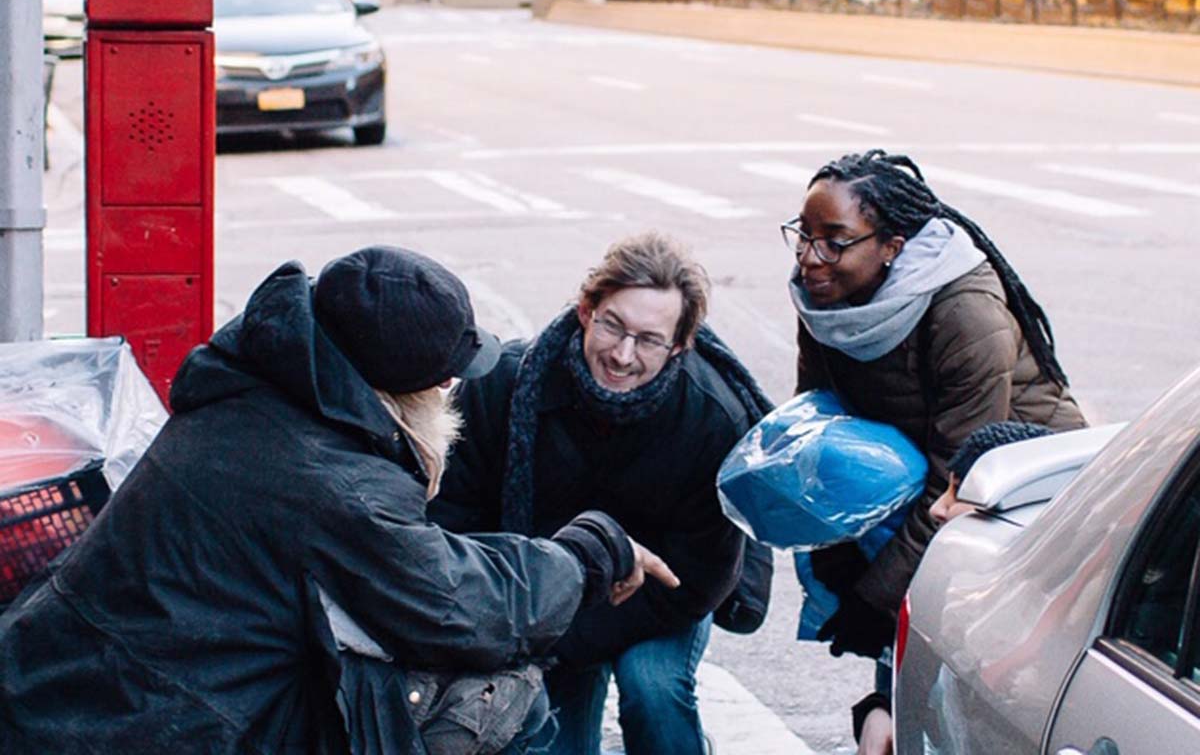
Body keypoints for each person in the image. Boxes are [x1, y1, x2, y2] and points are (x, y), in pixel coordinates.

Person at [0, 246, 677, 755]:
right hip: (149, 724)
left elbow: (414, 560)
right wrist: (590, 554)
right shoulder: (333, 480)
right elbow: (457, 606)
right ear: (421, 385)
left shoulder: (253, 393)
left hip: (72, 684)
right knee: (503, 700)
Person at [783, 150, 1087, 754]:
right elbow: (821, 426)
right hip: (924, 483)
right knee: (899, 667)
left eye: (834, 241)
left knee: (968, 679)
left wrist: (875, 597)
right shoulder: (825, 296)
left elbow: (962, 485)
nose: (810, 258)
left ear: (892, 245)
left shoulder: (964, 311)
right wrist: (835, 543)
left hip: (1018, 497)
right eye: (803, 235)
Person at [429, 232, 774, 755]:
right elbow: (453, 519)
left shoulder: (711, 419)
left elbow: (703, 575)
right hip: (536, 593)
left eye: (649, 339)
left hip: (659, 597)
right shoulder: (504, 386)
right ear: (587, 309)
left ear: (680, 344)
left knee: (653, 689)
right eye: (613, 324)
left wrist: (573, 635)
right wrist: (532, 615)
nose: (623, 353)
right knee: (552, 738)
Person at [854, 420, 1057, 755]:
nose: (938, 509)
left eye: (961, 492)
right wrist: (880, 711)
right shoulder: (948, 587)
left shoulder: (1055, 619)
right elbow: (911, 690)